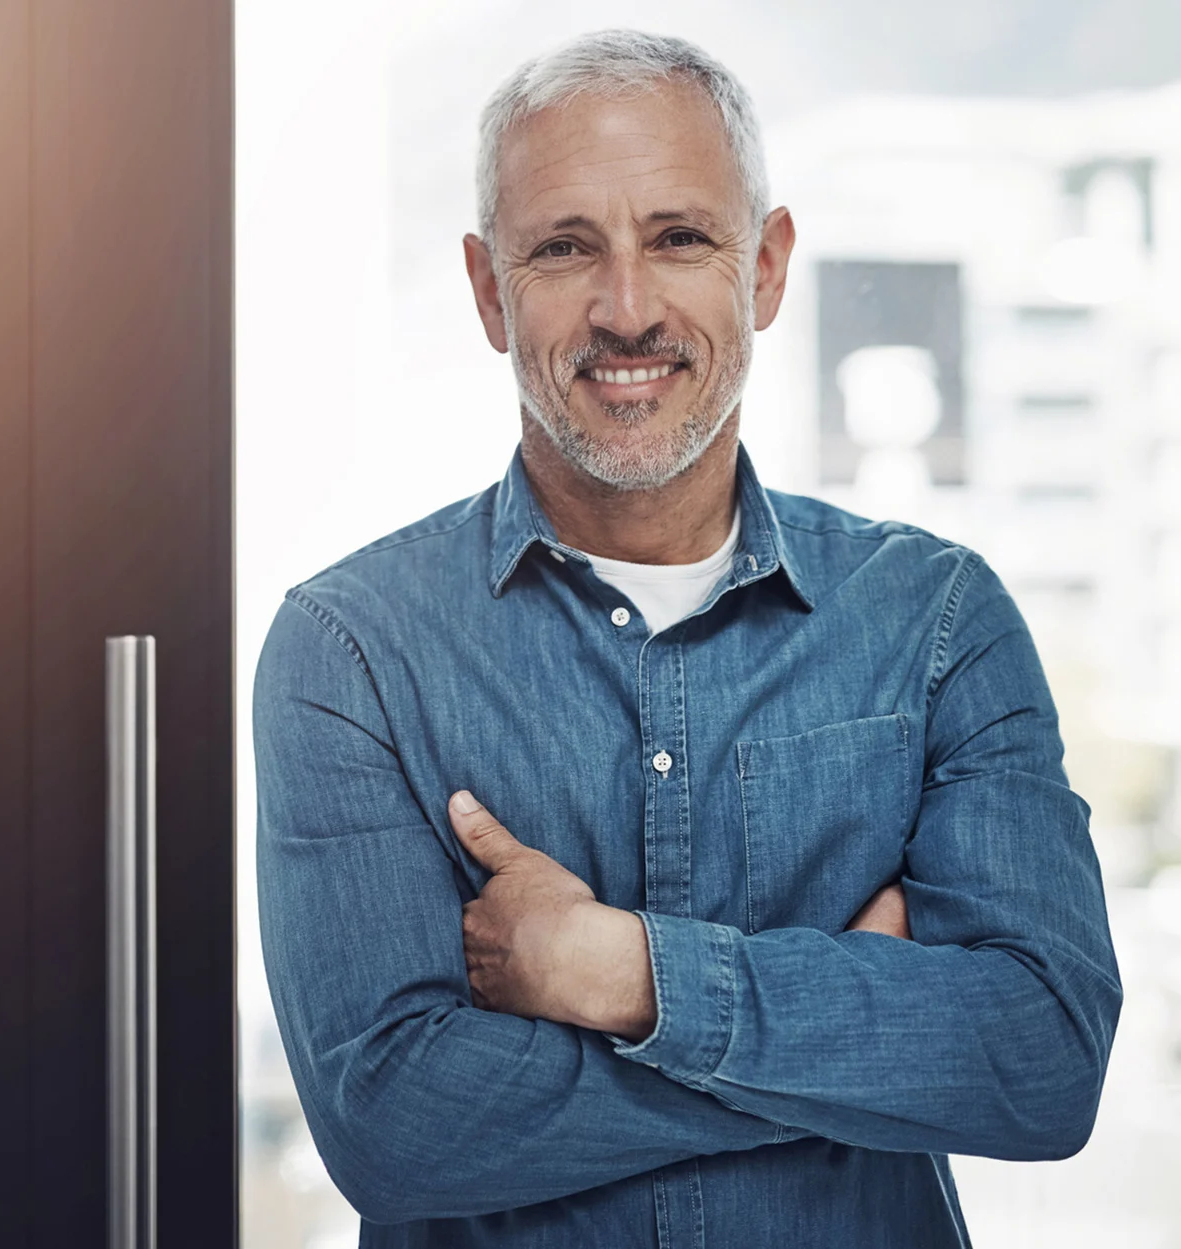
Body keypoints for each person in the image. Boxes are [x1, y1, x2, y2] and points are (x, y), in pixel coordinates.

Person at [252, 28, 1121, 1248]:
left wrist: (612, 972)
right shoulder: (348, 650)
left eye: (677, 238)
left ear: (762, 270)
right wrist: (843, 1040)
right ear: (488, 290)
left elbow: (1040, 1059)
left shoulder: (934, 621)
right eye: (563, 247)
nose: (624, 308)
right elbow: (395, 1130)